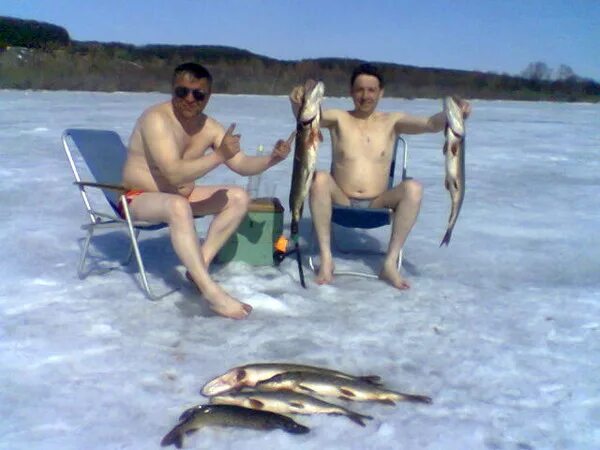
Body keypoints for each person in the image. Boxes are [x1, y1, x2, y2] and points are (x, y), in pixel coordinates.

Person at [121, 62, 293, 319]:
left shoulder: (209, 127)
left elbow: (242, 164)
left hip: (177, 196)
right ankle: (211, 292)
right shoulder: (156, 119)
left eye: (198, 94)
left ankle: (198, 266)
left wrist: (272, 159)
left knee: (237, 197)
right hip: (136, 198)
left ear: (208, 96)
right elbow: (174, 173)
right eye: (182, 92)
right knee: (177, 206)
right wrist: (219, 156)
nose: (190, 99)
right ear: (172, 90)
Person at [289, 63, 471, 290]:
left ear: (381, 92)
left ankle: (390, 263)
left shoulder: (392, 121)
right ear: (351, 92)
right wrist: (296, 99)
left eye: (371, 90)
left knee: (413, 188)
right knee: (319, 179)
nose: (365, 96)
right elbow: (305, 116)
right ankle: (326, 259)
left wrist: (454, 113)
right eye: (359, 90)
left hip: (379, 202)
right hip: (341, 199)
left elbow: (431, 124)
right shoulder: (338, 118)